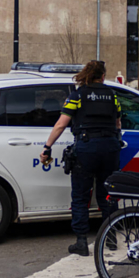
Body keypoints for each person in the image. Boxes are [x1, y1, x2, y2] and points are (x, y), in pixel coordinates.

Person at [41, 60, 122, 256]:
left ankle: (81, 242)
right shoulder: (112, 95)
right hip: (110, 148)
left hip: (87, 148)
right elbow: (118, 124)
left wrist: (47, 147)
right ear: (102, 76)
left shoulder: (78, 96)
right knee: (108, 195)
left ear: (86, 75)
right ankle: (110, 237)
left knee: (80, 196)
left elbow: (61, 124)